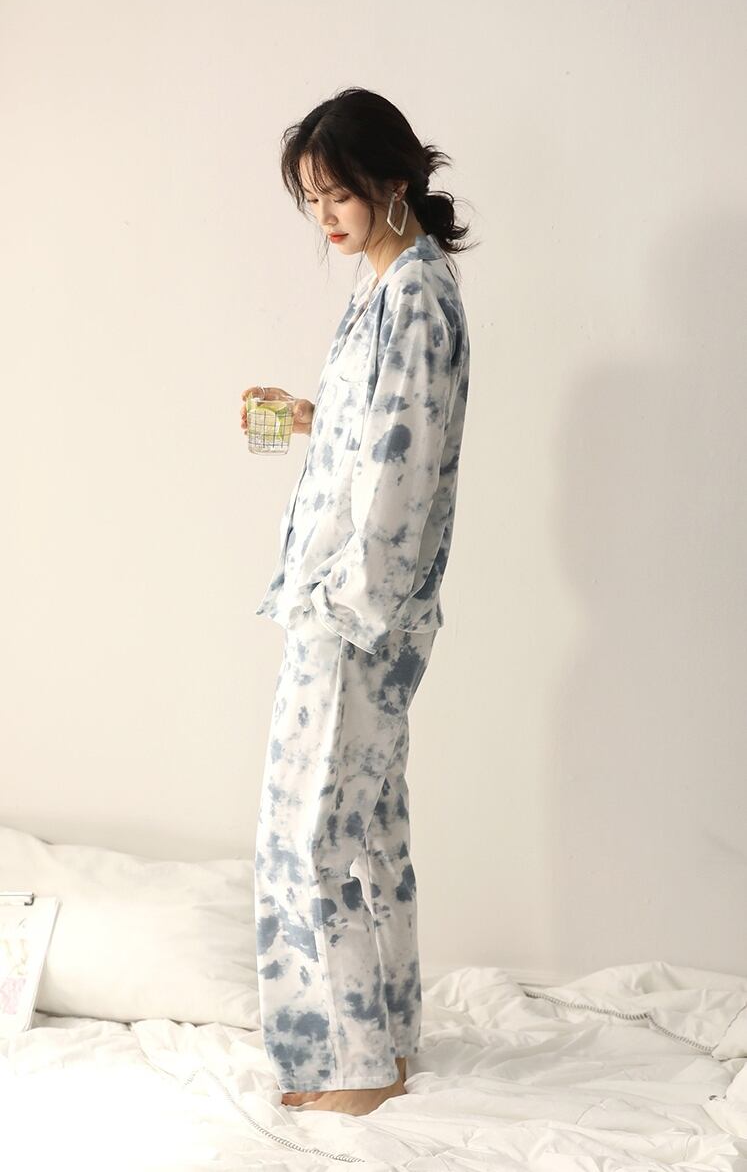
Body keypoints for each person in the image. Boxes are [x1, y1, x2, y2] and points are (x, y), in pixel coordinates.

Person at [240, 87, 475, 1117]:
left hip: (355, 613)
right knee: (364, 827)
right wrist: (309, 415)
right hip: (352, 605)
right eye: (311, 199)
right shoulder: (388, 283)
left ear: (391, 180)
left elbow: (403, 473)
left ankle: (355, 1066)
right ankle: (383, 1048)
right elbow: (377, 430)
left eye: (337, 193)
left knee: (311, 833)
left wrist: (346, 605)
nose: (324, 216)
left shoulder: (414, 295)